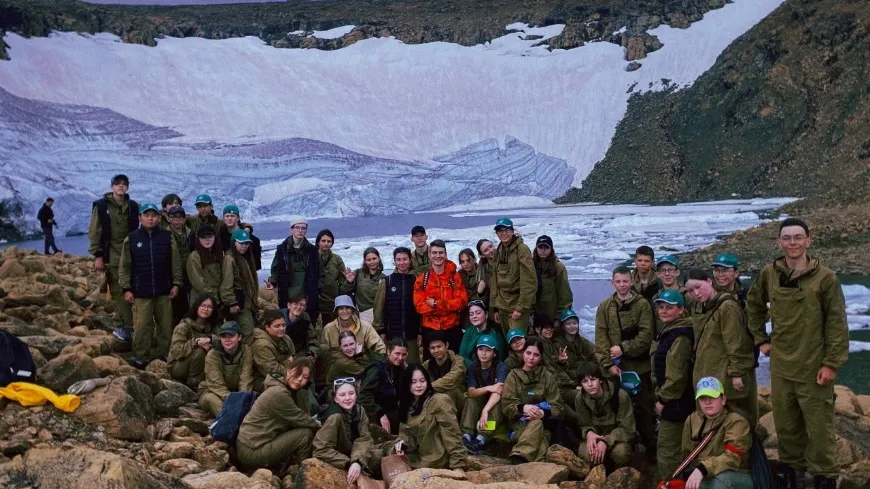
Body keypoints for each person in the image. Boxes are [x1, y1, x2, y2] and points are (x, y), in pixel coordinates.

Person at [746, 218, 847, 489]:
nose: (793, 243)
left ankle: (824, 478)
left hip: (814, 368)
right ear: (779, 242)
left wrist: (831, 364)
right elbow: (753, 306)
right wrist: (761, 341)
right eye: (787, 238)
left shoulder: (825, 278)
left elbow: (836, 322)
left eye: (798, 237)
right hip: (782, 367)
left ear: (808, 241)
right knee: (787, 426)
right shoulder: (770, 273)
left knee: (819, 429)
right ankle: (792, 476)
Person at [594, 265, 656, 458]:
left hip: (640, 367)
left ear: (632, 281)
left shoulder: (642, 305)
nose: (622, 285)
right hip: (615, 368)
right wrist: (607, 364)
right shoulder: (605, 306)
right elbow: (601, 338)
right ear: (612, 282)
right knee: (617, 408)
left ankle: (651, 449)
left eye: (625, 281)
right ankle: (621, 448)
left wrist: (624, 348)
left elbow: (647, 335)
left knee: (645, 408)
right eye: (618, 281)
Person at [684, 269, 757, 429]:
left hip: (724, 375)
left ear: (709, 282)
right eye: (690, 290)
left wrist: (737, 373)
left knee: (733, 423)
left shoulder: (727, 307)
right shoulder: (698, 306)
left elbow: (737, 343)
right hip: (706, 373)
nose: (695, 293)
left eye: (698, 287)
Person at [118, 202, 183, 369]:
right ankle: (140, 356)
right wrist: (126, 288)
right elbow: (124, 266)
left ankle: (165, 353)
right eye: (146, 215)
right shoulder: (131, 238)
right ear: (140, 217)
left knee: (165, 325)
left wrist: (176, 283)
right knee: (141, 326)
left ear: (159, 218)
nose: (150, 218)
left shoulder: (167, 237)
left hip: (164, 291)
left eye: (153, 215)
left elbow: (175, 263)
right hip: (141, 292)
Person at [236, 358, 320, 471]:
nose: (300, 379)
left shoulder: (288, 389)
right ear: (288, 370)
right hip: (252, 450)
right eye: (297, 373)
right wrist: (323, 427)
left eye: (305, 377)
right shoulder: (279, 393)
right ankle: (303, 473)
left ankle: (286, 467)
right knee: (305, 435)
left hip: (252, 445)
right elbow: (302, 419)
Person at [651, 289, 696, 480]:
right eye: (661, 307)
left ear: (681, 310)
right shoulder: (669, 331)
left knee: (668, 450)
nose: (663, 311)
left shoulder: (680, 337)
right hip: (676, 402)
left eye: (669, 307)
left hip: (677, 404)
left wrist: (662, 399)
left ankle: (670, 484)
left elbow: (676, 377)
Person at [88, 173, 139, 341]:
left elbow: (149, 220)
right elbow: (95, 232)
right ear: (112, 187)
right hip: (112, 254)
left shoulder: (132, 206)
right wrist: (98, 255)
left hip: (131, 253)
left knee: (133, 289)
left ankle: (129, 324)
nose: (121, 186)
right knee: (119, 290)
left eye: (124, 183)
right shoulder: (101, 206)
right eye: (118, 183)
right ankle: (124, 327)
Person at [680, 377, 753, 489]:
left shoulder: (737, 421)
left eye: (712, 397)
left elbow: (733, 458)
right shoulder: (692, 420)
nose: (707, 402)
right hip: (704, 474)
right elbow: (686, 453)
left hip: (737, 474)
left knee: (720, 482)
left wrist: (703, 469)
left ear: (723, 399)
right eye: (702, 398)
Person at [502, 337, 565, 464]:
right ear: (523, 353)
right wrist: (523, 408)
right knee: (537, 425)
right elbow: (506, 407)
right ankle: (519, 457)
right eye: (528, 353)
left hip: (543, 424)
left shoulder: (547, 376)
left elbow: (558, 406)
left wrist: (543, 413)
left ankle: (523, 462)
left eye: (536, 355)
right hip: (518, 425)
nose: (531, 358)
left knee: (542, 434)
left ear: (541, 358)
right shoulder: (513, 376)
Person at [394, 364, 468, 471]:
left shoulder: (439, 401)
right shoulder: (405, 404)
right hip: (417, 459)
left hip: (439, 459)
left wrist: (458, 466)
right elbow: (406, 436)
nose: (419, 385)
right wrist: (403, 445)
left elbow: (452, 434)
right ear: (406, 384)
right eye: (413, 382)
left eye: (422, 381)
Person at [313, 379, 382, 486]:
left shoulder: (359, 410)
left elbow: (365, 438)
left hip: (352, 453)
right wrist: (348, 463)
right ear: (335, 398)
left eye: (351, 393)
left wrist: (357, 461)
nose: (348, 398)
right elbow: (321, 449)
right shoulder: (334, 417)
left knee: (377, 455)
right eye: (342, 395)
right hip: (337, 456)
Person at [574, 362, 635, 474]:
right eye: (584, 381)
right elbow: (584, 424)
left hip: (617, 438)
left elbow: (627, 429)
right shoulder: (580, 399)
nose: (589, 384)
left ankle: (619, 476)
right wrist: (589, 433)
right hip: (596, 435)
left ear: (600, 380)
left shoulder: (620, 395)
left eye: (593, 379)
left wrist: (605, 441)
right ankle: (598, 476)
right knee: (586, 454)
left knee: (621, 453)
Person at [413, 240, 467, 355]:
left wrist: (436, 304)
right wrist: (448, 307)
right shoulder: (422, 280)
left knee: (455, 363)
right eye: (434, 253)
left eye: (441, 253)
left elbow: (461, 302)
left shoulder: (455, 277)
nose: (438, 256)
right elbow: (419, 307)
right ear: (429, 255)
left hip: (452, 328)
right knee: (431, 366)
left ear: (446, 255)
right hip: (430, 329)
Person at [461, 335, 508, 454]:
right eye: (481, 349)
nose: (484, 353)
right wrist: (489, 388)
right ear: (476, 351)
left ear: (494, 353)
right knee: (470, 400)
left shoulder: (501, 367)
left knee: (498, 404)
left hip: (493, 402)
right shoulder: (472, 366)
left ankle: (481, 438)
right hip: (480, 400)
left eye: (488, 350)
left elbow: (499, 391)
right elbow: (471, 392)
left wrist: (485, 411)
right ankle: (466, 434)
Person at [373, 247, 422, 363]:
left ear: (410, 260)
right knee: (394, 365)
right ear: (394, 261)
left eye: (405, 259)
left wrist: (420, 332)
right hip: (392, 334)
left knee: (412, 366)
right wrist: (381, 331)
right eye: (398, 260)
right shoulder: (387, 281)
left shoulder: (417, 280)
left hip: (412, 334)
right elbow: (378, 308)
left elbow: (421, 309)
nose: (402, 262)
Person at [489, 218, 536, 334]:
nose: (503, 234)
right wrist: (495, 307)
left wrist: (521, 308)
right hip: (502, 305)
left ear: (512, 231)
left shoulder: (522, 250)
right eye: (500, 231)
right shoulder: (499, 250)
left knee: (517, 341)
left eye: (506, 230)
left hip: (516, 305)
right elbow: (495, 280)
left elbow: (529, 281)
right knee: (507, 340)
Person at [198, 321, 254, 417]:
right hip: (212, 391)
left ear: (239, 337)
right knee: (213, 401)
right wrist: (234, 401)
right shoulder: (212, 355)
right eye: (224, 336)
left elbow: (245, 379)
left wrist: (241, 399)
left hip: (236, 391)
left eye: (231, 336)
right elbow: (216, 384)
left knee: (250, 402)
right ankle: (228, 422)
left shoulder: (246, 351)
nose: (227, 340)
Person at [268, 217, 320, 317]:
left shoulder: (312, 251)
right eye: (297, 227)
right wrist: (273, 282)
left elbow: (319, 272)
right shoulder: (282, 249)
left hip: (307, 296)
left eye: (303, 228)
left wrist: (318, 290)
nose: (300, 230)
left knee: (306, 323)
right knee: (287, 323)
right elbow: (275, 269)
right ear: (291, 229)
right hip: (287, 295)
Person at [166, 294, 219, 389]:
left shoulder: (212, 326)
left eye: (210, 307)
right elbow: (176, 351)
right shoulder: (183, 326)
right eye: (203, 305)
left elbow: (224, 340)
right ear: (196, 306)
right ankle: (193, 385)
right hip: (177, 366)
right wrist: (195, 342)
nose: (206, 309)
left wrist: (210, 340)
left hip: (199, 367)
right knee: (199, 351)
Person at [358, 337, 408, 435]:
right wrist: (380, 413)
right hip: (375, 411)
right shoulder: (377, 368)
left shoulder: (400, 369)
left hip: (392, 410)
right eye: (397, 354)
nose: (400, 358)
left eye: (404, 354)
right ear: (389, 352)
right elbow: (363, 395)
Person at [221, 229, 259, 342]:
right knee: (247, 333)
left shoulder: (244, 258)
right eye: (241, 243)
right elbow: (226, 284)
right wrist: (232, 303)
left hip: (248, 302)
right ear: (234, 242)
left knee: (249, 332)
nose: (244, 246)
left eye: (246, 243)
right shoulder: (230, 258)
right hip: (239, 305)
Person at [323, 295, 387, 360]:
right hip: (338, 366)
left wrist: (378, 363)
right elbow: (324, 352)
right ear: (337, 311)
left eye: (347, 308)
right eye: (341, 308)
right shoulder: (329, 329)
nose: (344, 311)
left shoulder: (365, 327)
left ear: (352, 310)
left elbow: (380, 348)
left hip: (361, 364)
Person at [251, 309, 296, 392]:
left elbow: (293, 355)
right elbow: (271, 370)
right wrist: (288, 363)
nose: (282, 328)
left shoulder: (286, 338)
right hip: (263, 379)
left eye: (283, 325)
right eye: (277, 326)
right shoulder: (261, 345)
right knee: (291, 384)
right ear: (267, 327)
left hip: (284, 372)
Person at [532, 235, 573, 327]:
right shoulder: (530, 266)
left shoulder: (558, 267)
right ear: (536, 248)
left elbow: (565, 294)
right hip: (535, 313)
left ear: (551, 249)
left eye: (546, 247)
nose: (543, 250)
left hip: (551, 314)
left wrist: (559, 317)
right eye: (540, 247)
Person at [421, 333, 467, 412]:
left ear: (446, 345)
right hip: (436, 398)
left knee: (449, 391)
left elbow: (450, 380)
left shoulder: (458, 360)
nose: (436, 350)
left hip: (459, 399)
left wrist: (428, 387)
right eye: (432, 348)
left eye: (439, 346)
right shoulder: (427, 365)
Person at [315, 229, 349, 327]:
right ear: (318, 242)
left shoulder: (336, 259)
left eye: (329, 241)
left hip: (331, 300)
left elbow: (343, 281)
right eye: (323, 241)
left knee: (330, 328)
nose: (326, 244)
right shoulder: (311, 256)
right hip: (314, 298)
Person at [187, 225, 226, 310]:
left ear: (214, 237)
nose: (207, 240)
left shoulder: (219, 254)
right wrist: (215, 298)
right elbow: (199, 282)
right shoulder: (195, 256)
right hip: (201, 299)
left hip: (219, 298)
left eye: (210, 237)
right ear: (198, 239)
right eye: (203, 237)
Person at [166, 205, 193, 325]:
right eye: (175, 217)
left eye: (180, 217)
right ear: (169, 218)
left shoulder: (191, 234)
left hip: (189, 275)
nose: (178, 219)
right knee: (174, 309)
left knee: (188, 306)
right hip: (172, 277)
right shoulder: (164, 235)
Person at [651, 255, 690, 334]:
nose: (667, 274)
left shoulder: (688, 296)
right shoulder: (656, 298)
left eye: (670, 270)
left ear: (677, 272)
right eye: (662, 270)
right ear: (657, 274)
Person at [344, 247, 384, 314]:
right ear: (365, 261)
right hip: (361, 313)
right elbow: (344, 292)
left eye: (374, 258)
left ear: (379, 258)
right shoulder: (358, 273)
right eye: (368, 260)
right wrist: (349, 282)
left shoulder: (384, 278)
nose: (372, 262)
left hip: (378, 313)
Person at [280, 292, 320, 359]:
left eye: (302, 305)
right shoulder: (279, 317)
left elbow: (311, 337)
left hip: (300, 351)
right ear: (289, 305)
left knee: (323, 349)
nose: (298, 307)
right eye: (295, 304)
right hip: (284, 353)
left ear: (305, 308)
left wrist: (312, 352)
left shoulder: (305, 317)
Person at [458, 248, 482, 330]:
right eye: (462, 262)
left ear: (474, 260)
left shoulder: (482, 273)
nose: (466, 264)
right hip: (465, 313)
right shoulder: (459, 275)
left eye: (468, 260)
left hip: (480, 310)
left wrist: (479, 292)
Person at [475, 239, 495, 305]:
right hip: (495, 306)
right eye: (486, 250)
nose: (491, 250)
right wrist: (480, 293)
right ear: (483, 255)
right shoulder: (483, 272)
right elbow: (486, 297)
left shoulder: (507, 259)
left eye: (491, 246)